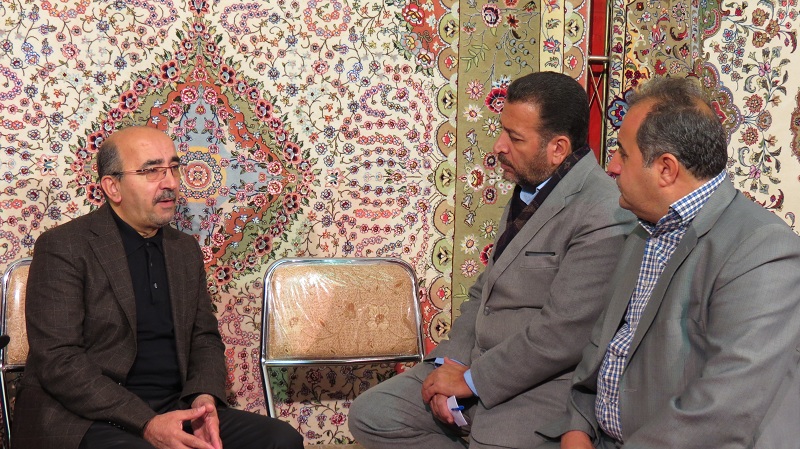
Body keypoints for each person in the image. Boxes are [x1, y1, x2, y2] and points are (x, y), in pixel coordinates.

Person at [348, 72, 636, 448]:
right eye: (502, 131)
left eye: (515, 138)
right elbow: (485, 291)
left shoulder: (604, 212)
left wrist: (471, 382)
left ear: (558, 148)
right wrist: (452, 363)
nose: (499, 146)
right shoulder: (534, 186)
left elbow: (562, 335)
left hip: (536, 388)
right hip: (473, 365)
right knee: (374, 414)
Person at [537, 77, 800, 448]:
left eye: (623, 154)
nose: (611, 166)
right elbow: (601, 351)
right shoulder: (643, 229)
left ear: (666, 169)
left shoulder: (763, 250)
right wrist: (577, 428)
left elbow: (724, 410)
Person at [13, 126, 304, 449]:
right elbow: (59, 360)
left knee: (280, 440)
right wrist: (147, 423)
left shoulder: (184, 249)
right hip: (84, 417)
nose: (171, 183)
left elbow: (204, 338)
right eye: (152, 171)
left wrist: (202, 400)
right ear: (112, 187)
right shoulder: (65, 246)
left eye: (173, 168)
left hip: (173, 406)